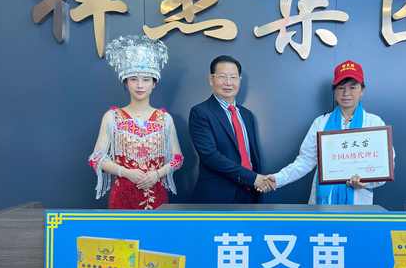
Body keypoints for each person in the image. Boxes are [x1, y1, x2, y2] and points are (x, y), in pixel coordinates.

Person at [268, 60, 393, 205]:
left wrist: (366, 182)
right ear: (334, 92)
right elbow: (305, 161)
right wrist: (277, 179)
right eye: (341, 88)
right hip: (322, 204)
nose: (346, 93)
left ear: (362, 91)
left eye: (353, 87)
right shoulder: (320, 123)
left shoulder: (374, 123)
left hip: (358, 205)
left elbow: (385, 165)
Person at [88, 35, 183, 209]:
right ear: (126, 83)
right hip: (122, 196)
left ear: (154, 83)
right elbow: (96, 158)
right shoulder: (112, 117)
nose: (140, 85)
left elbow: (177, 158)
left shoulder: (164, 119)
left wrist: (157, 174)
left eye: (146, 79)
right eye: (133, 79)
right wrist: (125, 172)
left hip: (157, 195)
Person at [189, 55, 272, 203]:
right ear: (211, 79)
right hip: (218, 197)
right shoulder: (200, 112)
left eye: (233, 77)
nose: (228, 82)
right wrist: (253, 178)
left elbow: (251, 157)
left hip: (250, 193)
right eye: (222, 77)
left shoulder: (247, 115)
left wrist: (256, 182)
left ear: (239, 80)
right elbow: (210, 156)